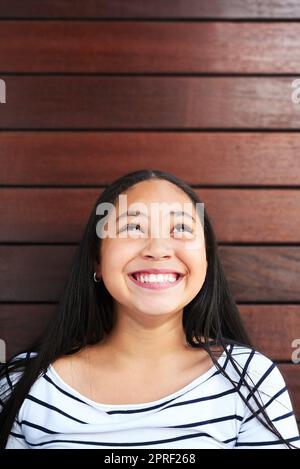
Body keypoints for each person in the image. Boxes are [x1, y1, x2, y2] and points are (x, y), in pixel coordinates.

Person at [0, 169, 299, 449]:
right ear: (97, 261)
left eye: (181, 227)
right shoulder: (24, 383)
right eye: (132, 227)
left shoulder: (249, 380)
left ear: (206, 260)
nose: (157, 249)